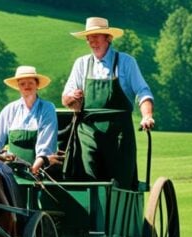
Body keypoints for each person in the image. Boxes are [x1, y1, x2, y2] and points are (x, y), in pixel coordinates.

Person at [61, 17, 154, 188]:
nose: (91, 41)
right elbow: (65, 99)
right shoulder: (81, 64)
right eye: (89, 37)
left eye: (96, 36)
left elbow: (143, 91)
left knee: (120, 180)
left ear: (108, 38)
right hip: (88, 132)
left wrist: (147, 116)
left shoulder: (126, 62)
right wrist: (72, 97)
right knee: (88, 179)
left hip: (118, 132)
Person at [0, 66, 58, 175]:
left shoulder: (47, 108)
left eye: (30, 83)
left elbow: (46, 142)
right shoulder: (9, 109)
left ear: (37, 85)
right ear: (18, 86)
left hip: (40, 170)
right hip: (10, 170)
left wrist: (38, 164)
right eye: (22, 84)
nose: (26, 86)